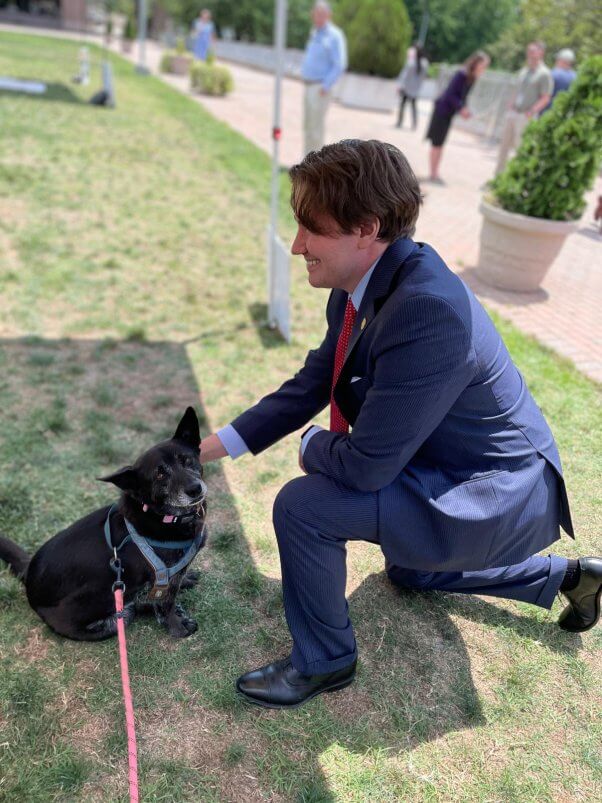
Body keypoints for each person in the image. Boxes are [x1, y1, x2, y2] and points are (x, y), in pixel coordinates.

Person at [199, 139, 600, 710]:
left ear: (366, 228)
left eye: (311, 227)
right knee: (413, 571)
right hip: (448, 465)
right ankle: (566, 578)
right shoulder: (364, 284)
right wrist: (202, 449)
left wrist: (313, 444)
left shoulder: (427, 308)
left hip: (493, 489)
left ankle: (324, 662)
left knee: (304, 506)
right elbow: (315, 382)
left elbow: (365, 467)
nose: (296, 245)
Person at [425, 51, 490, 184]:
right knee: (437, 143)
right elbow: (450, 94)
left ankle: (435, 172)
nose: (484, 68)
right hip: (441, 111)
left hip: (448, 114)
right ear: (476, 63)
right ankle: (433, 173)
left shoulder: (472, 78)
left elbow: (462, 97)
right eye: (483, 65)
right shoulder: (462, 74)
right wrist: (461, 108)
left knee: (440, 144)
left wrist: (464, 109)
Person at [494, 41, 553, 175]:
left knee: (520, 149)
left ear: (541, 53)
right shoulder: (524, 71)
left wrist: (531, 111)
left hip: (526, 116)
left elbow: (546, 97)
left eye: (533, 51)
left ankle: (514, 179)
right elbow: (517, 89)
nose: (530, 53)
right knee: (504, 147)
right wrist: (511, 104)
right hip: (513, 113)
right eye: (529, 50)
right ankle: (497, 177)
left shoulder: (544, 74)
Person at [300, 2, 347, 155]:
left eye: (322, 14)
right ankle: (306, 162)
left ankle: (316, 168)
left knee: (316, 130)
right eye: (316, 14)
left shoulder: (334, 35)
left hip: (320, 87)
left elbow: (339, 64)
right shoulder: (315, 32)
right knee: (308, 126)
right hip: (309, 86)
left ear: (328, 15)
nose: (318, 17)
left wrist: (325, 86)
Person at [395, 43, 429, 130]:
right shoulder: (425, 63)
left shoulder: (411, 62)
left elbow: (404, 75)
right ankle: (414, 124)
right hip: (415, 89)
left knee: (403, 105)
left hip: (406, 88)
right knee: (413, 107)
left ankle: (399, 122)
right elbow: (423, 78)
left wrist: (400, 85)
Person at [541, 48, 577, 114]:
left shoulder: (552, 74)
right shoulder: (575, 76)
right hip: (565, 112)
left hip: (548, 111)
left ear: (561, 60)